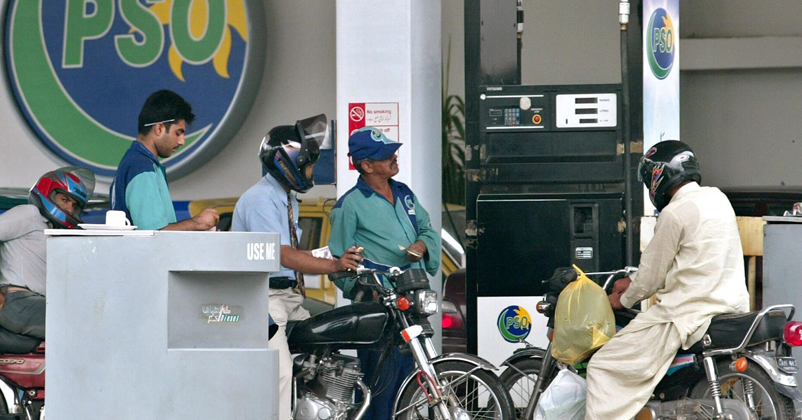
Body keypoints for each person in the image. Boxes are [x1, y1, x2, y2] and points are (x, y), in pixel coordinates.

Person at [584, 140, 750, 420]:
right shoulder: (717, 198)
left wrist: (622, 299)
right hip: (728, 307)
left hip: (686, 314)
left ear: (658, 175)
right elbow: (693, 258)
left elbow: (651, 276)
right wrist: (633, 280)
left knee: (602, 365)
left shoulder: (674, 213)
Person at [232, 118, 363, 420]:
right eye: (309, 166)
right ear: (288, 165)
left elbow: (293, 252)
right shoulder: (261, 200)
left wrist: (338, 258)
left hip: (289, 299)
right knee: (280, 373)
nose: (312, 172)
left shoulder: (287, 198)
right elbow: (283, 256)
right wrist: (333, 265)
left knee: (325, 359)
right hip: (264, 301)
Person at [328, 127, 441, 420]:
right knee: (381, 387)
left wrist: (421, 245)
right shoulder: (348, 206)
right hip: (380, 309)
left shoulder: (404, 193)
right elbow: (340, 265)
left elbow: (428, 229)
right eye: (385, 155)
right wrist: (366, 291)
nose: (394, 157)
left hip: (412, 301)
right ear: (366, 165)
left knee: (413, 380)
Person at [0, 166, 95, 353]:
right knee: (86, 324)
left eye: (74, 205)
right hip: (17, 301)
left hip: (37, 302)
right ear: (47, 193)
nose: (69, 208)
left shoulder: (52, 230)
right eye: (65, 199)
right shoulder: (29, 214)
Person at [110, 89, 219, 231]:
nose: (182, 142)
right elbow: (155, 234)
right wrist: (197, 223)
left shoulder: (137, 161)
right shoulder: (141, 167)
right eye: (178, 133)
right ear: (159, 128)